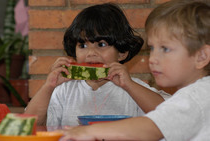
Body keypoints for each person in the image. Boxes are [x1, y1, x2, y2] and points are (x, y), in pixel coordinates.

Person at [60, 0, 210, 140]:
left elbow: (151, 127)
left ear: (201, 56)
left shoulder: (199, 96)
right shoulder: (193, 94)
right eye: (152, 48)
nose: (152, 58)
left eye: (165, 48)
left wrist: (89, 131)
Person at [25, 3, 170, 126]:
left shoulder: (133, 89)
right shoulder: (64, 91)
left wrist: (129, 85)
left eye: (101, 44)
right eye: (82, 45)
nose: (90, 53)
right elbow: (30, 124)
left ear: (122, 53)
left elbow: (169, 115)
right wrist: (48, 86)